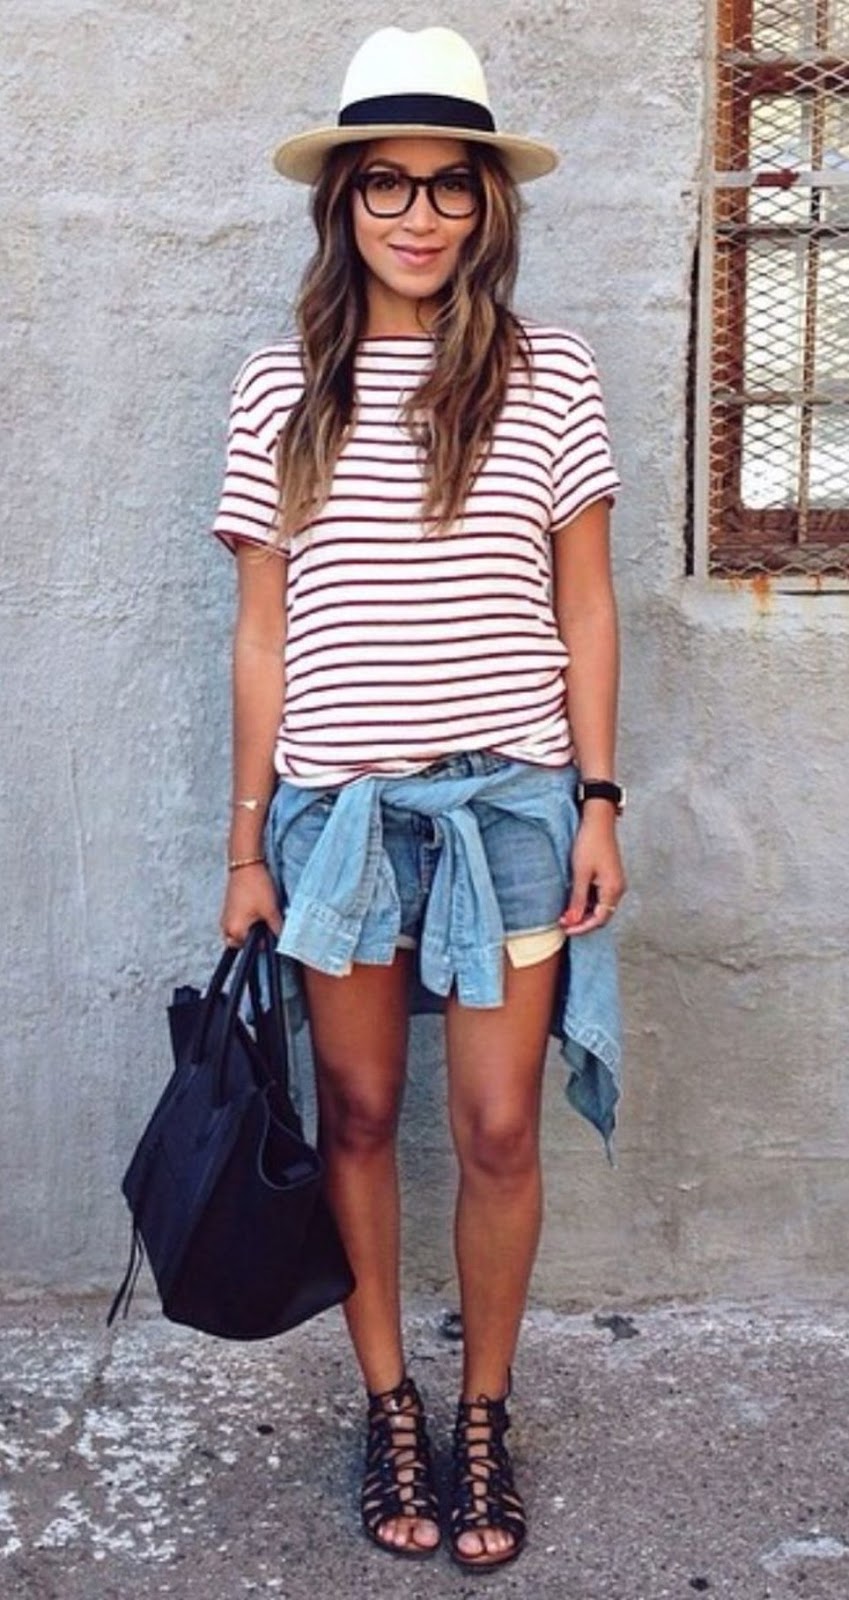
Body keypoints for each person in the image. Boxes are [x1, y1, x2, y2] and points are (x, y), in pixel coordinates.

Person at [214, 24, 625, 1572]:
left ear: (485, 207)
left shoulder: (551, 373)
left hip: (513, 810)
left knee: (501, 1126)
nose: (417, 214)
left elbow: (584, 607)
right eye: (384, 183)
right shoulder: (278, 388)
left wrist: (596, 799)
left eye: (448, 186)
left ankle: (482, 1416)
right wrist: (245, 844)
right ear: (342, 203)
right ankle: (388, 1400)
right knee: (363, 1115)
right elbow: (263, 632)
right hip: (337, 824)